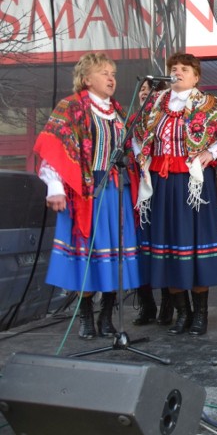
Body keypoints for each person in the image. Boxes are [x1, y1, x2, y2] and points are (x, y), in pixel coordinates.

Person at [35, 52, 142, 339]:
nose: (111, 78)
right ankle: (85, 317)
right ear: (86, 79)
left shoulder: (118, 112)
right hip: (86, 190)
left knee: (114, 254)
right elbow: (53, 150)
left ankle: (107, 317)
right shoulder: (71, 107)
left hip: (117, 191)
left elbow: (132, 150)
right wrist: (55, 188)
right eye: (104, 72)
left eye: (113, 73)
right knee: (87, 254)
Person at [135, 52, 217, 336]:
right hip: (161, 184)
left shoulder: (211, 104)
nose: (177, 72)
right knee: (168, 243)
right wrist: (144, 159)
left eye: (184, 69)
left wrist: (210, 153)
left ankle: (200, 313)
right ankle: (182, 311)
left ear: (196, 76)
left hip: (193, 185)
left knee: (195, 243)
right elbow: (137, 136)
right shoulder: (154, 103)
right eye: (173, 68)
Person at [131, 77, 174, 327]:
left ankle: (168, 303)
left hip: (161, 183)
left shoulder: (165, 119)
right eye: (142, 92)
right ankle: (147, 304)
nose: (144, 95)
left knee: (163, 245)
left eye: (150, 91)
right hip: (138, 186)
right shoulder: (133, 121)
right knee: (140, 249)